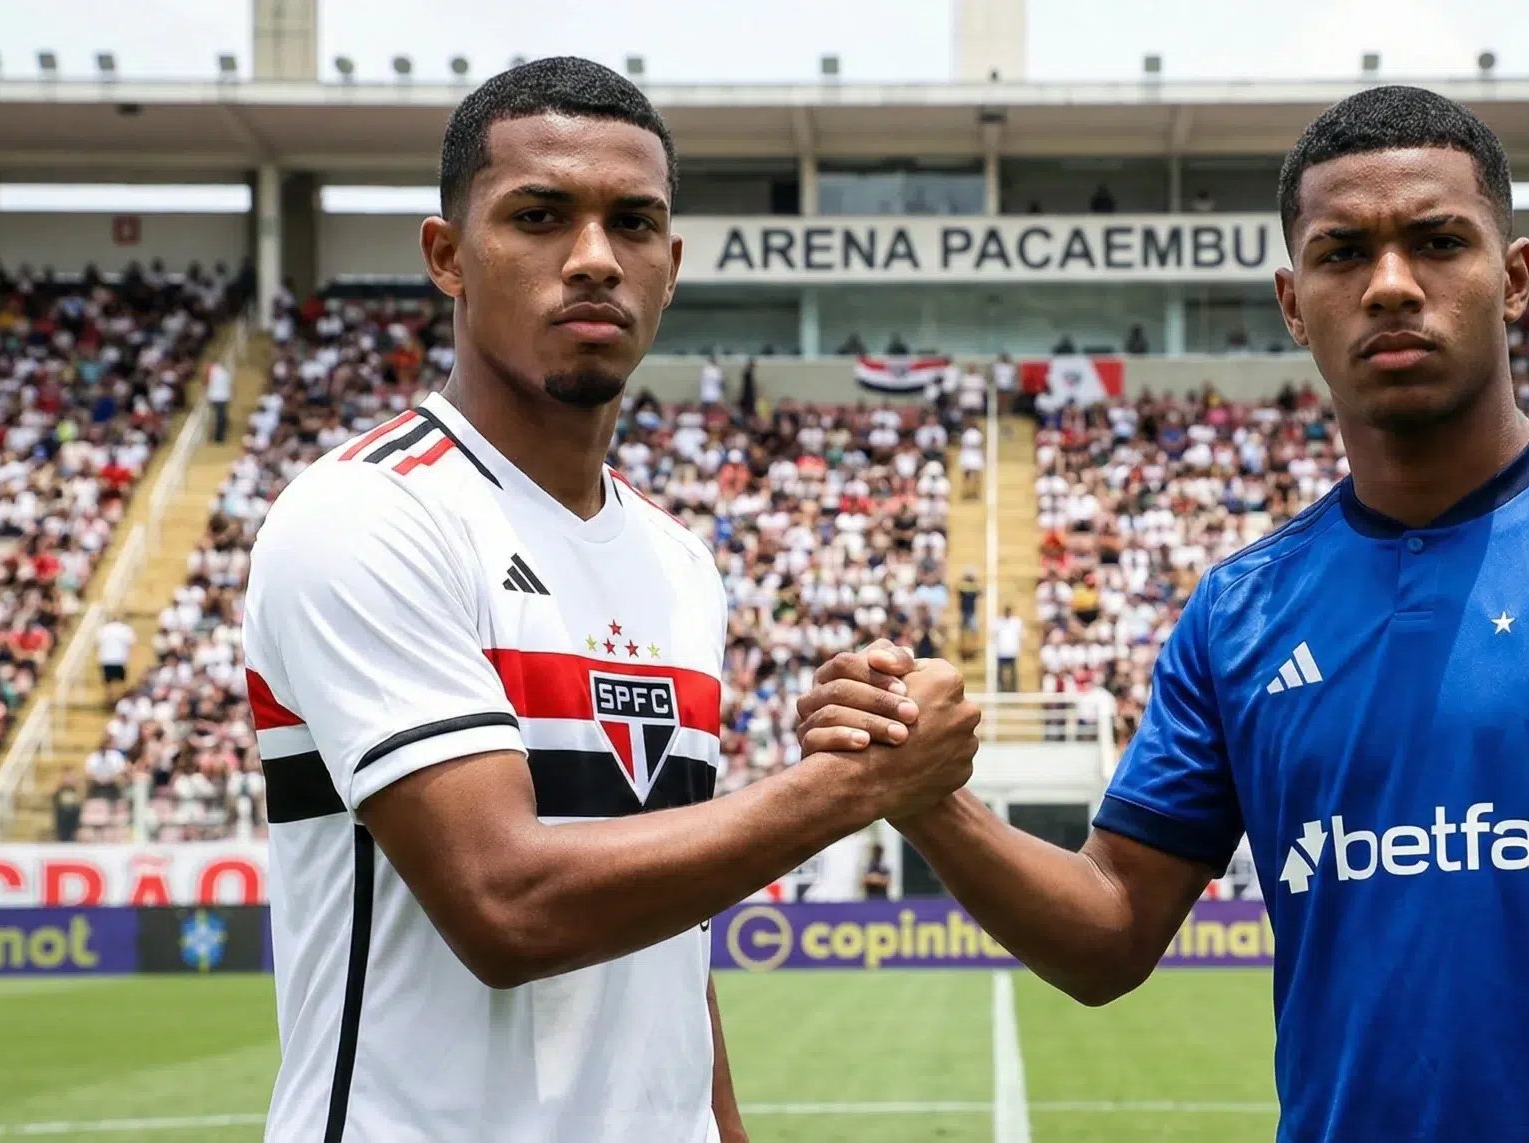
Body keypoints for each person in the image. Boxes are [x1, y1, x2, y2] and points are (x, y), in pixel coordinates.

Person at [800, 86, 1529, 1141]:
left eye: (1436, 242)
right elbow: (1107, 934)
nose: (1389, 284)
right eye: (1340, 253)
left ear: (1513, 276)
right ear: (1293, 302)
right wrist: (929, 802)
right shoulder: (1237, 612)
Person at [242, 58, 981, 1143]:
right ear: (447, 256)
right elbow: (506, 907)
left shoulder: (678, 562)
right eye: (539, 216)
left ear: (669, 267)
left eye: (632, 223)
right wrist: (849, 789)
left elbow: (665, 925)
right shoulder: (366, 514)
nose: (593, 258)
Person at [95, 616, 135, 705]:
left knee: (108, 682)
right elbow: (131, 642)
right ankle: (119, 699)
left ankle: (111, 699)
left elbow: (97, 643)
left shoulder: (103, 629)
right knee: (120, 681)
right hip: (120, 658)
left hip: (106, 659)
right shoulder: (125, 629)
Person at [206, 355, 235, 444]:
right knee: (221, 417)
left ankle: (216, 437)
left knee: (216, 418)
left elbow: (205, 380)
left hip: (215, 397)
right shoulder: (225, 372)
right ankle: (220, 437)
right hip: (224, 397)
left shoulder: (211, 370)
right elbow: (231, 386)